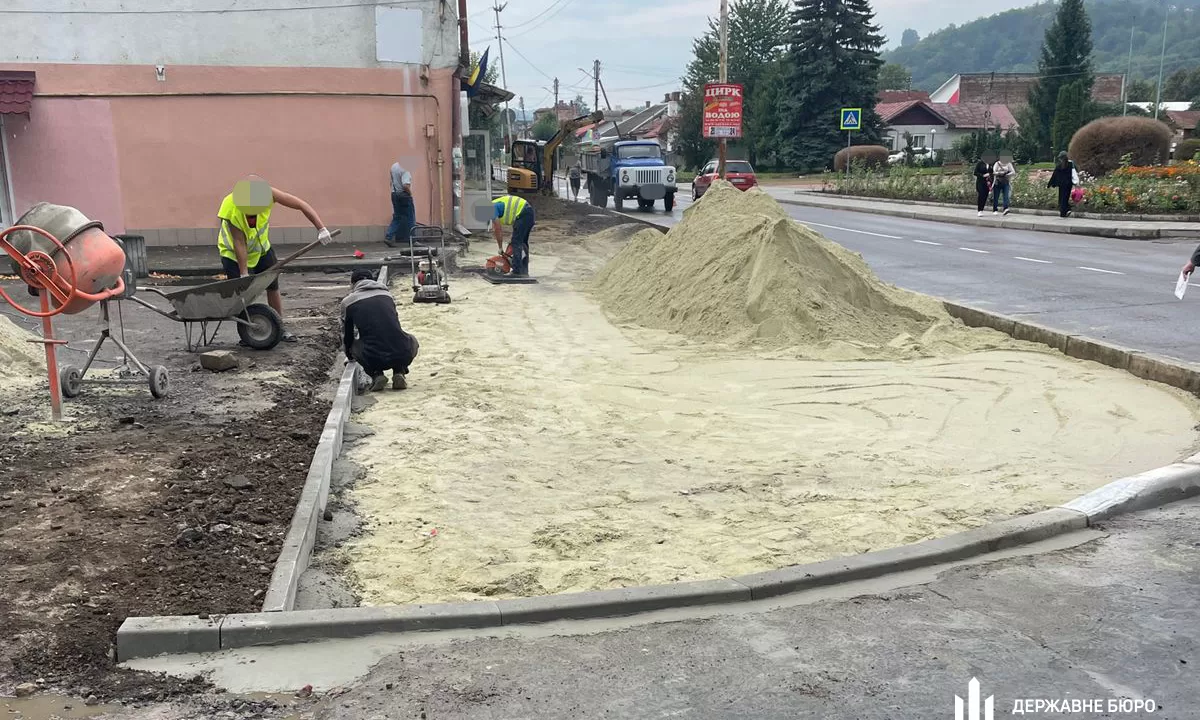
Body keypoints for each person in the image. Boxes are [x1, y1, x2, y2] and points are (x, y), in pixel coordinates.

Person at [217, 176, 331, 343]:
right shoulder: (230, 206)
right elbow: (239, 242)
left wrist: (321, 228)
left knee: (273, 285)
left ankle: (279, 327)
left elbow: (300, 205)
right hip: (232, 255)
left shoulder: (269, 194)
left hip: (262, 249)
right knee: (243, 293)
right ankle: (249, 331)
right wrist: (243, 273)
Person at [342, 269, 420, 392]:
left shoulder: (348, 302)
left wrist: (349, 355)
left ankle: (377, 375)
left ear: (353, 283)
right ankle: (399, 372)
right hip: (401, 352)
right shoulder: (387, 295)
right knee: (411, 339)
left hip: (373, 356)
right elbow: (394, 324)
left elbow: (348, 335)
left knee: (355, 345)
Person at [492, 194, 536, 277]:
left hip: (523, 214)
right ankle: (523, 270)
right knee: (522, 243)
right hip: (528, 212)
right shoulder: (493, 204)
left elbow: (497, 229)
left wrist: (500, 248)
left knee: (516, 243)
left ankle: (517, 271)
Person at [385, 161, 415, 248]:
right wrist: (410, 193)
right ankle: (413, 240)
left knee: (397, 217)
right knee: (410, 217)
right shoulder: (406, 169)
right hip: (404, 195)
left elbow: (391, 182)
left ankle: (388, 237)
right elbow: (405, 185)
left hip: (394, 194)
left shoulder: (393, 166)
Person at [1047, 151, 1078, 218]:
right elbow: (1075, 172)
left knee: (1061, 198)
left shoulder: (1059, 167)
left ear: (1061, 158)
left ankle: (1063, 212)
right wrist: (1075, 183)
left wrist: (1050, 184)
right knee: (1065, 198)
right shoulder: (1070, 164)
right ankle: (1067, 209)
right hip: (1068, 185)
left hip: (1061, 185)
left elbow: (1054, 176)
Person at [973, 152, 995, 217]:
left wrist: (990, 175)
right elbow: (975, 172)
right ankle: (979, 210)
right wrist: (983, 175)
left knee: (985, 196)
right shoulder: (980, 164)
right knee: (981, 195)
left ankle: (982, 209)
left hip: (988, 183)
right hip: (980, 182)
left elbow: (992, 172)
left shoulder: (991, 164)